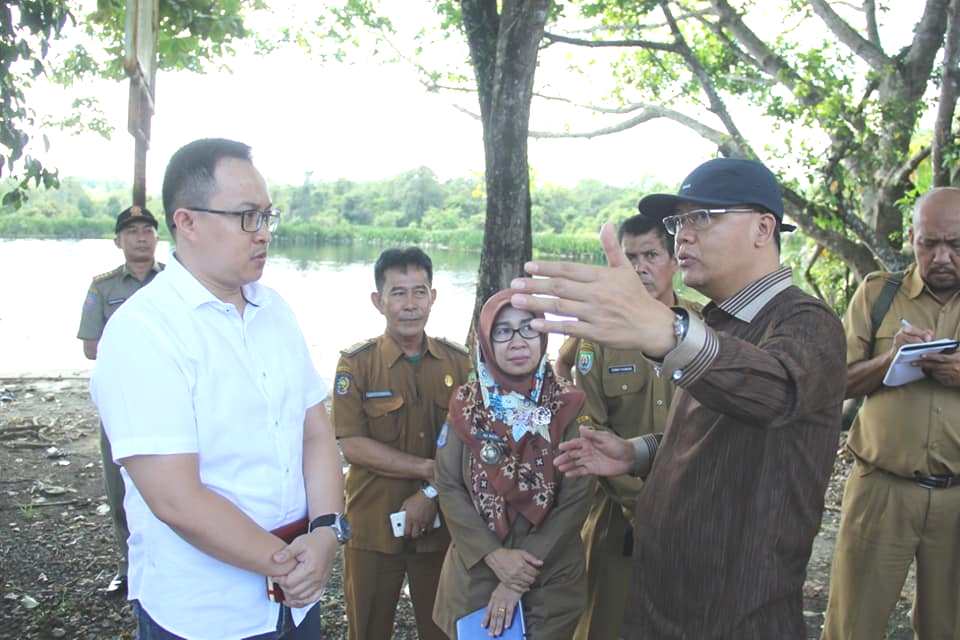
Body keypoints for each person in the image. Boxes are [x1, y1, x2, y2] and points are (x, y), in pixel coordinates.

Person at [510, 157, 847, 639]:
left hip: (733, 613)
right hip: (665, 597)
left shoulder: (805, 323)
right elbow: (714, 431)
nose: (683, 235)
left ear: (762, 228)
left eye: (702, 217)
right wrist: (637, 452)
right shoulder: (721, 322)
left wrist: (667, 332)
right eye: (679, 221)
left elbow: (774, 392)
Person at [91, 138, 344, 640]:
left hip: (296, 600)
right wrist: (287, 563)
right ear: (187, 222)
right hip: (205, 611)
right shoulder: (143, 331)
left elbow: (315, 433)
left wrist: (326, 532)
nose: (264, 234)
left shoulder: (275, 311)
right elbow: (176, 498)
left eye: (268, 216)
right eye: (247, 217)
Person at [821, 187, 960, 640]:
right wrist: (889, 360)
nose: (941, 257)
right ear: (911, 238)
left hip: (957, 498)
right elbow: (832, 384)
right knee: (852, 626)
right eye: (929, 243)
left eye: (955, 245)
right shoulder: (878, 294)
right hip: (881, 491)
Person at [565, 214, 702, 640]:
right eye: (630, 258)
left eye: (651, 255)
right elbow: (588, 427)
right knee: (606, 624)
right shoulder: (599, 336)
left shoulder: (706, 329)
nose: (640, 267)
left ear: (674, 259)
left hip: (695, 512)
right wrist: (641, 502)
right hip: (618, 515)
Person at [432, 289, 594, 639]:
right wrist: (494, 557)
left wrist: (518, 577)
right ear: (486, 341)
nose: (518, 341)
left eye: (528, 328)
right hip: (475, 574)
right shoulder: (466, 407)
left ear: (543, 336)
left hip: (549, 579)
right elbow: (448, 484)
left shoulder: (569, 406)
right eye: (503, 331)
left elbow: (576, 499)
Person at [332, 247, 472, 640]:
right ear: (379, 301)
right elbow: (352, 444)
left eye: (419, 291)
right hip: (373, 526)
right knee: (368, 628)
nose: (410, 304)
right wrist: (426, 469)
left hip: (442, 524)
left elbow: (470, 440)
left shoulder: (458, 363)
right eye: (398, 293)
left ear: (433, 297)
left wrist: (430, 492)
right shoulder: (356, 365)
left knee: (442, 629)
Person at [77, 204, 164, 596]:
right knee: (119, 486)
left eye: (147, 230)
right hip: (124, 398)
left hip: (172, 395)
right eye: (132, 232)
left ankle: (172, 561)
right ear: (118, 241)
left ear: (157, 237)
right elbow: (91, 348)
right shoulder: (103, 288)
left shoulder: (176, 281)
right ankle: (128, 567)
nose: (140, 237)